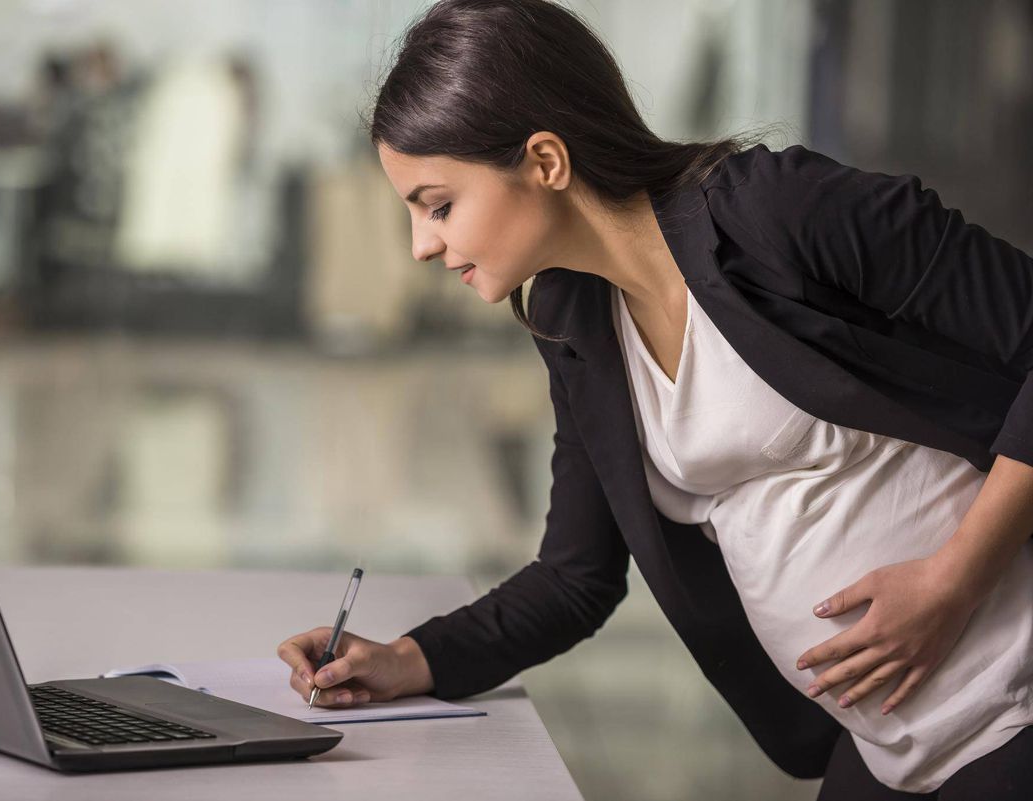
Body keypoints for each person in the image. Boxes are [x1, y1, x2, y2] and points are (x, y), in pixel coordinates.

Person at [277, 1, 1033, 797]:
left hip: (1015, 698)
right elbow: (576, 576)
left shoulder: (779, 209)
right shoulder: (574, 320)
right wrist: (407, 659)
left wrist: (955, 578)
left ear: (544, 161)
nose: (421, 244)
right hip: (889, 746)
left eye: (438, 204)